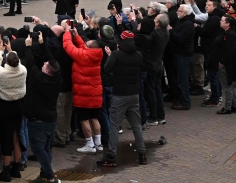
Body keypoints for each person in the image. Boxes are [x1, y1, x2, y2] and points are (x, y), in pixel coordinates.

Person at [96, 31, 146, 167]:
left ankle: (111, 155)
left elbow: (107, 69)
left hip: (120, 94)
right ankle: (142, 154)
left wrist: (110, 56)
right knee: (136, 125)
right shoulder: (138, 55)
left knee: (114, 125)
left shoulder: (117, 55)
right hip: (134, 93)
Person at [21, 29, 62, 183]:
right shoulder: (57, 78)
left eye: (45, 65)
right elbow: (51, 59)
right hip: (50, 118)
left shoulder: (39, 79)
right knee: (46, 148)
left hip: (38, 120)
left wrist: (28, 47)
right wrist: (42, 44)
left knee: (38, 149)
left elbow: (30, 63)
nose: (44, 63)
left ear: (46, 70)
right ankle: (45, 174)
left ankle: (50, 177)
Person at [60, 21, 103, 154]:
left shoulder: (83, 56)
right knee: (94, 118)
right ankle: (98, 143)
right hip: (95, 94)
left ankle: (89, 144)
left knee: (84, 120)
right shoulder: (95, 54)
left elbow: (67, 46)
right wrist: (77, 36)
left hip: (84, 95)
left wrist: (67, 32)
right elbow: (82, 47)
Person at [0, 45, 25, 182]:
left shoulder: (1, 73)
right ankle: (17, 167)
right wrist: (11, 50)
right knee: (16, 137)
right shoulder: (23, 71)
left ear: (6, 62)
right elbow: (17, 62)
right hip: (18, 107)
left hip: (4, 108)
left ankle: (6, 170)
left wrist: (1, 51)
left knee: (5, 139)